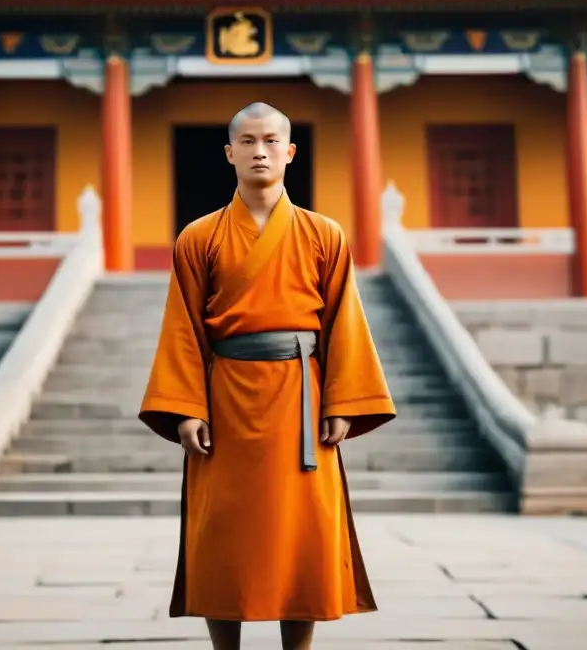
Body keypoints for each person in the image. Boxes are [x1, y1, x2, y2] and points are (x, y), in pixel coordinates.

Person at [138, 102, 396, 650]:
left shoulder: (324, 233)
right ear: (229, 153)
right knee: (223, 532)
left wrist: (343, 403)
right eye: (248, 141)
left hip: (301, 398)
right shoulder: (198, 237)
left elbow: (344, 319)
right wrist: (187, 408)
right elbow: (182, 328)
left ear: (290, 151)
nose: (261, 151)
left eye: (272, 140)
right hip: (226, 397)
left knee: (301, 529)